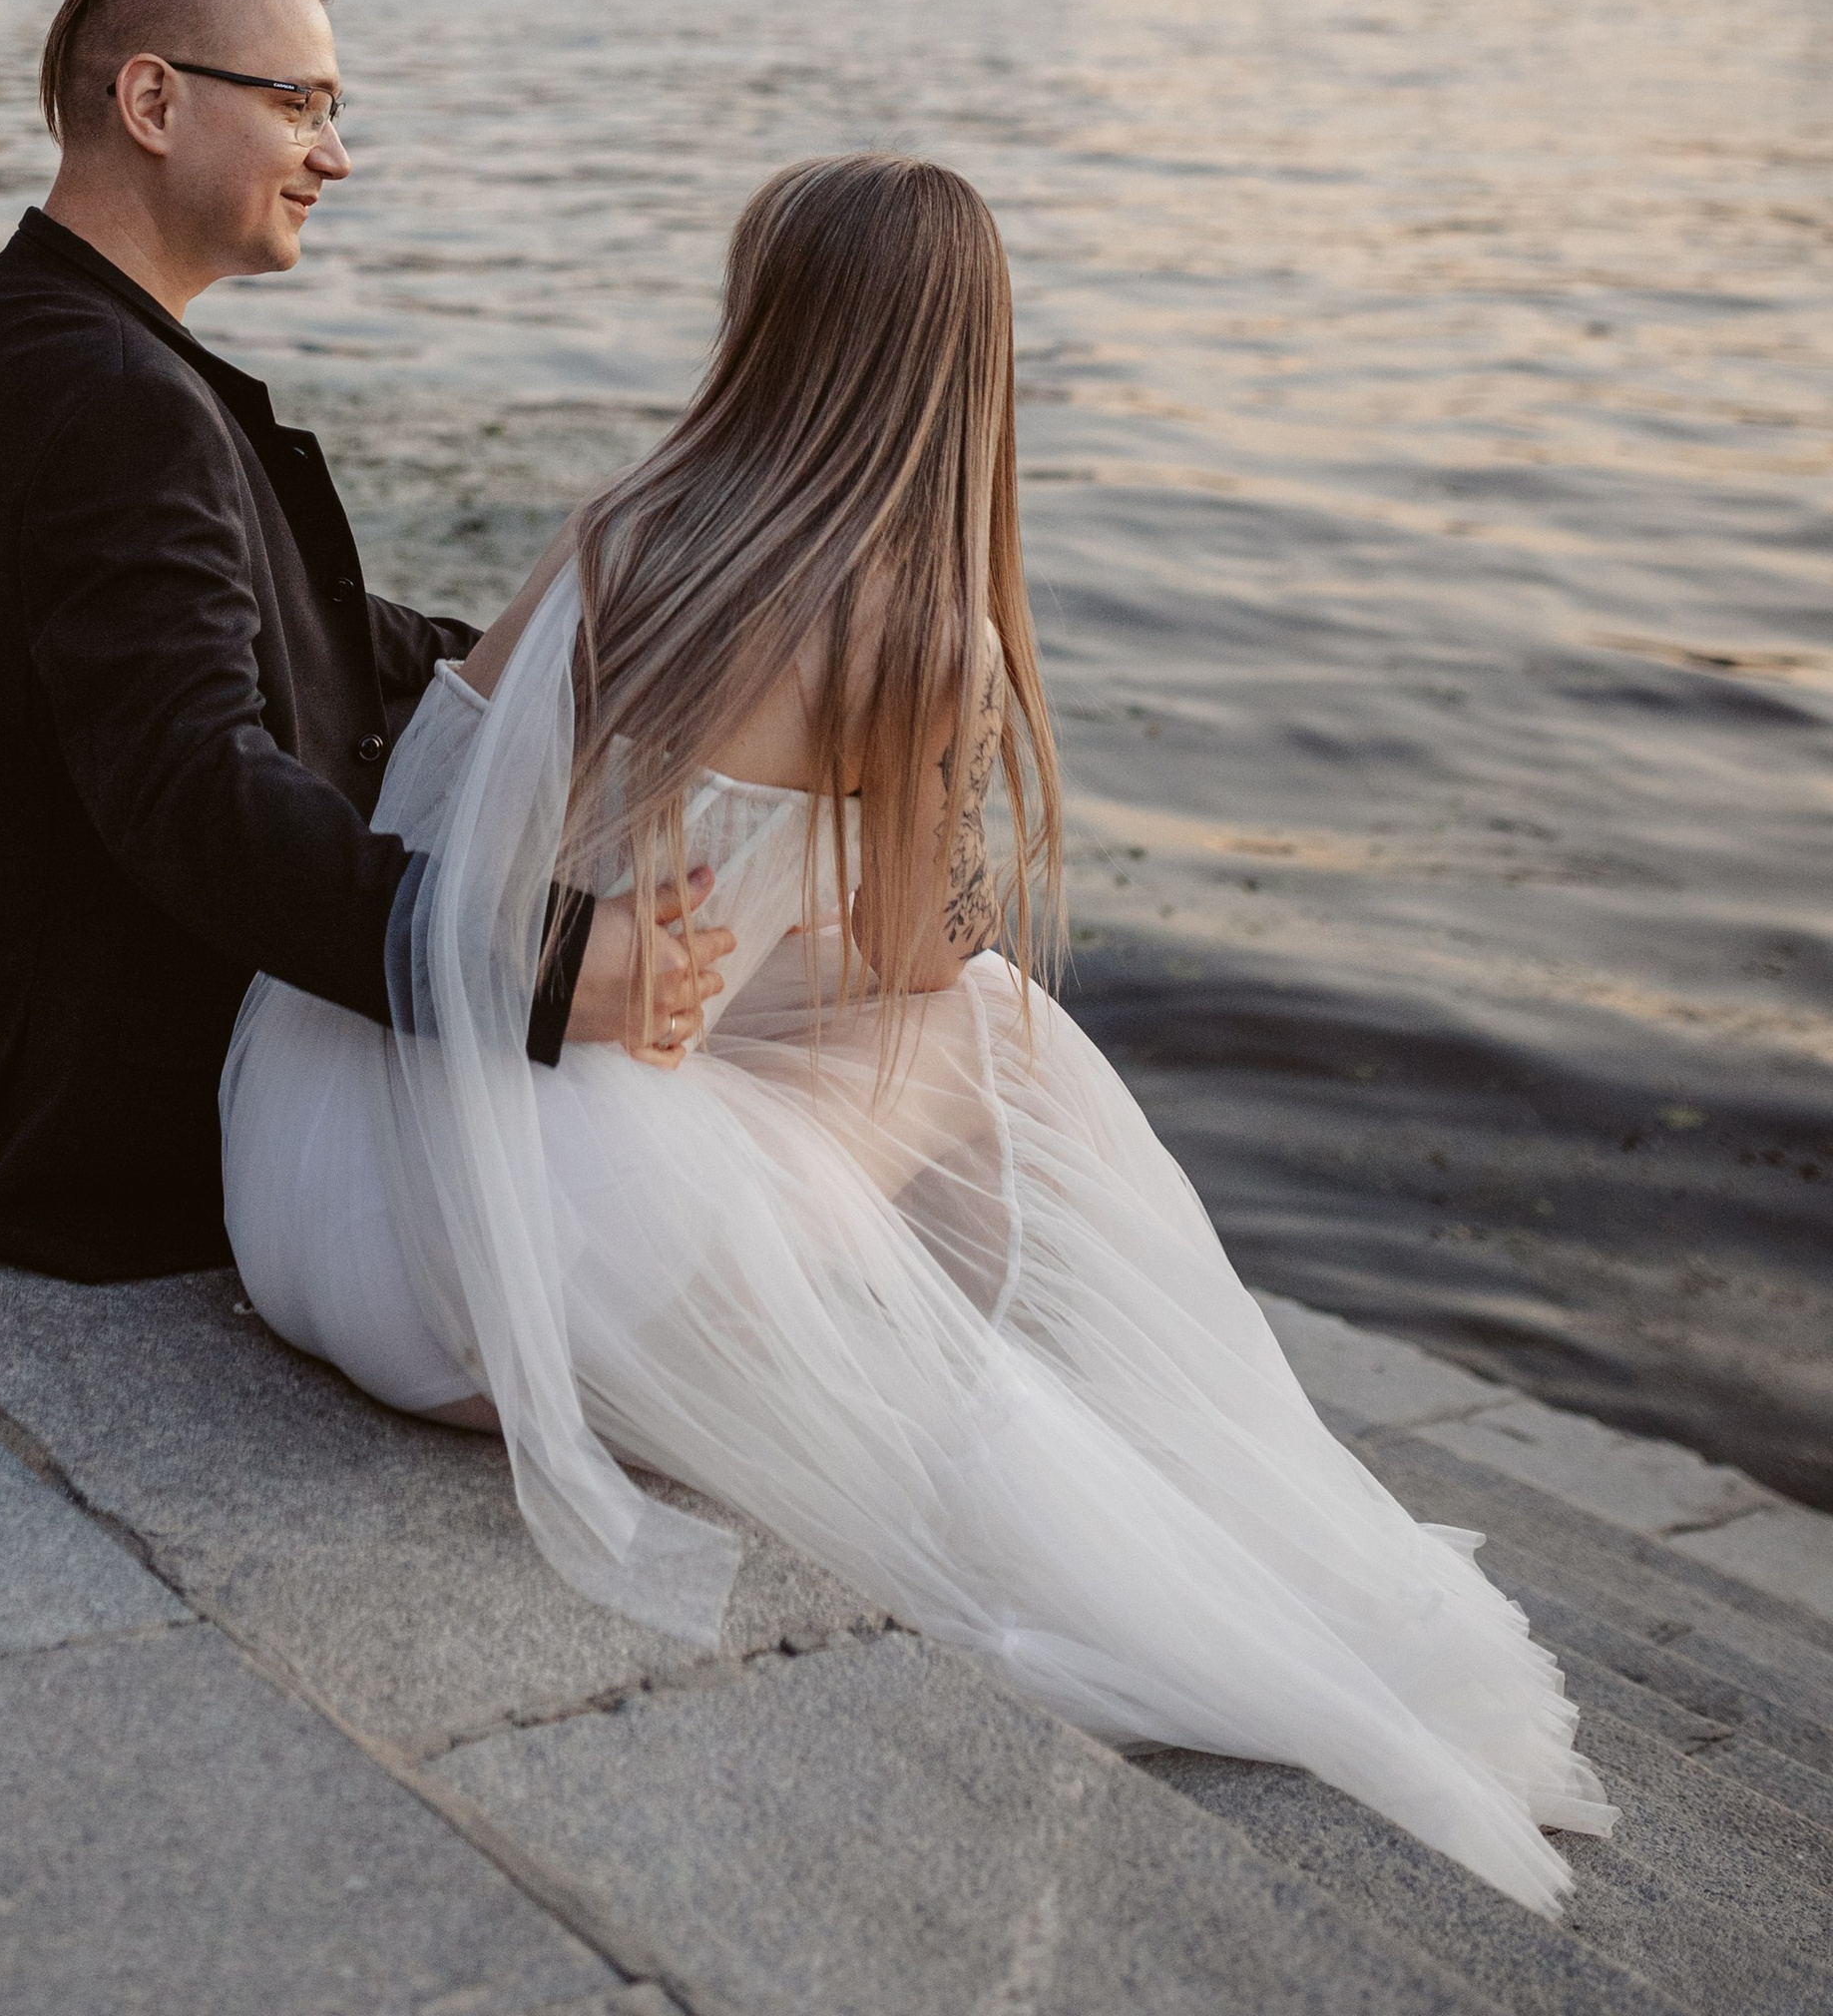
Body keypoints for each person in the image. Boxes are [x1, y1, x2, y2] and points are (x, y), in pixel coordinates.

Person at [221, 153, 1613, 1914]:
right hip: (512, 1314)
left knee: (809, 1014)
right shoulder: (916, 631)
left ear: (770, 325)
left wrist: (722, 907)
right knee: (994, 1028)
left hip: (310, 1186)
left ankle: (926, 1357)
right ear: (965, 365)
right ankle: (1022, 1403)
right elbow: (918, 955)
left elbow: (440, 813)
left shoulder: (617, 531)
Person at [0, 0, 726, 1280]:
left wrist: (569, 678)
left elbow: (292, 634)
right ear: (152, 103)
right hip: (116, 1136)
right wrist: (540, 971)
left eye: (332, 111)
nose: (334, 154)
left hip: (31, 1072)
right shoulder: (111, 397)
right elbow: (198, 796)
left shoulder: (25, 334)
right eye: (298, 104)